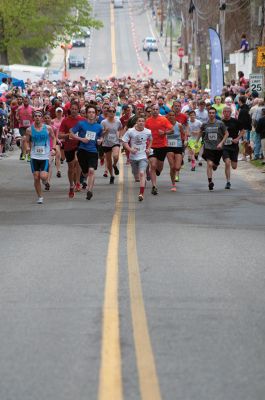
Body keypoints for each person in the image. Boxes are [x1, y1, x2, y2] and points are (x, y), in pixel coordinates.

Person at [69, 106, 103, 200]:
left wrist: (100, 140)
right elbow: (71, 133)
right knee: (85, 172)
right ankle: (84, 177)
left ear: (96, 114)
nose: (91, 114)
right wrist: (81, 139)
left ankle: (89, 190)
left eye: (93, 112)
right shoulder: (81, 124)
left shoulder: (99, 126)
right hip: (82, 151)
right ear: (86, 114)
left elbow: (101, 136)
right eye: (89, 112)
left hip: (93, 151)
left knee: (91, 170)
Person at [25, 110, 56, 204]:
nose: (37, 117)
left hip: (45, 156)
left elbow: (53, 137)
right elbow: (26, 140)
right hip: (34, 156)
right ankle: (40, 197)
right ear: (33, 118)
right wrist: (27, 147)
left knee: (43, 176)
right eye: (36, 116)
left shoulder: (48, 128)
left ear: (41, 118)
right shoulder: (29, 130)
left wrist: (53, 148)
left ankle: (45, 180)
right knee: (36, 177)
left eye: (39, 116)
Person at [197, 107, 228, 190]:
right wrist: (196, 142)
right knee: (209, 164)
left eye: (213, 113)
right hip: (208, 147)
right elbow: (200, 132)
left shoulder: (220, 123)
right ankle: (210, 182)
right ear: (208, 113)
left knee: (214, 165)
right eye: (210, 113)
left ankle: (216, 164)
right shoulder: (205, 124)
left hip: (218, 148)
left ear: (215, 114)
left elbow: (226, 134)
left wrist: (221, 143)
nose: (211, 114)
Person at [145, 103, 173, 195]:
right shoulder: (148, 121)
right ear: (151, 110)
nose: (155, 111)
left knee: (159, 167)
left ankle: (158, 171)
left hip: (162, 146)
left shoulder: (163, 119)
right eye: (153, 109)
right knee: (153, 165)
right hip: (151, 146)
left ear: (159, 110)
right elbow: (144, 132)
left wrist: (164, 132)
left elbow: (171, 130)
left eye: (157, 109)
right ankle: (154, 186)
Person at [58, 102, 85, 198]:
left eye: (76, 109)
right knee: (71, 167)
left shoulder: (82, 120)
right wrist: (68, 135)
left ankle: (78, 182)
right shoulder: (65, 121)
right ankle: (71, 185)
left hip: (79, 145)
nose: (74, 110)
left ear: (78, 110)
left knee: (77, 161)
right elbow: (59, 135)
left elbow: (87, 132)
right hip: (68, 146)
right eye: (72, 109)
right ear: (70, 110)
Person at [122, 116, 152, 201]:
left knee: (142, 173)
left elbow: (151, 139)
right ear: (136, 122)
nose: (141, 122)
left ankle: (141, 194)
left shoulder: (148, 131)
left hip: (143, 156)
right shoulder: (130, 131)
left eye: (143, 121)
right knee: (136, 175)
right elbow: (124, 141)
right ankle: (140, 179)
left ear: (144, 123)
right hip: (133, 157)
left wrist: (148, 148)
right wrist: (130, 149)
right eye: (139, 121)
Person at [222, 106, 245, 189]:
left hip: (234, 146)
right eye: (225, 111)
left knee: (234, 166)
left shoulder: (235, 121)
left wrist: (237, 139)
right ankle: (228, 182)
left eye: (228, 111)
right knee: (227, 162)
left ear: (230, 112)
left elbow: (243, 131)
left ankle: (233, 160)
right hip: (224, 146)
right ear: (223, 113)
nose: (226, 113)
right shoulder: (221, 122)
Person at [101, 106, 123, 184]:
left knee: (116, 156)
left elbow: (121, 129)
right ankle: (112, 175)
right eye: (110, 111)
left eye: (113, 111)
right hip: (106, 143)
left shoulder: (118, 121)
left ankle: (115, 165)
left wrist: (120, 136)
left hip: (115, 142)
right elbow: (100, 133)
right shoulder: (103, 122)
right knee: (109, 161)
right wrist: (105, 131)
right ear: (107, 112)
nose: (112, 113)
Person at [166, 111, 184, 191]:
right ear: (168, 116)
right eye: (170, 115)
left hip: (178, 146)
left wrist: (185, 141)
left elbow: (183, 134)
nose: (172, 116)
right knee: (172, 167)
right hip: (169, 147)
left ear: (175, 116)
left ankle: (180, 162)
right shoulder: (165, 125)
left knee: (177, 167)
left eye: (173, 115)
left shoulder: (179, 125)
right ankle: (173, 184)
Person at [16, 96, 34, 161]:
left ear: (29, 101)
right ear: (23, 101)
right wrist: (18, 119)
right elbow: (16, 115)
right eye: (24, 101)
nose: (26, 102)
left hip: (30, 126)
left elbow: (36, 115)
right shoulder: (19, 108)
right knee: (24, 138)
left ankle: (29, 155)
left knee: (30, 141)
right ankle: (24, 153)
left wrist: (33, 118)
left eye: (27, 101)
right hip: (22, 126)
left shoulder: (32, 108)